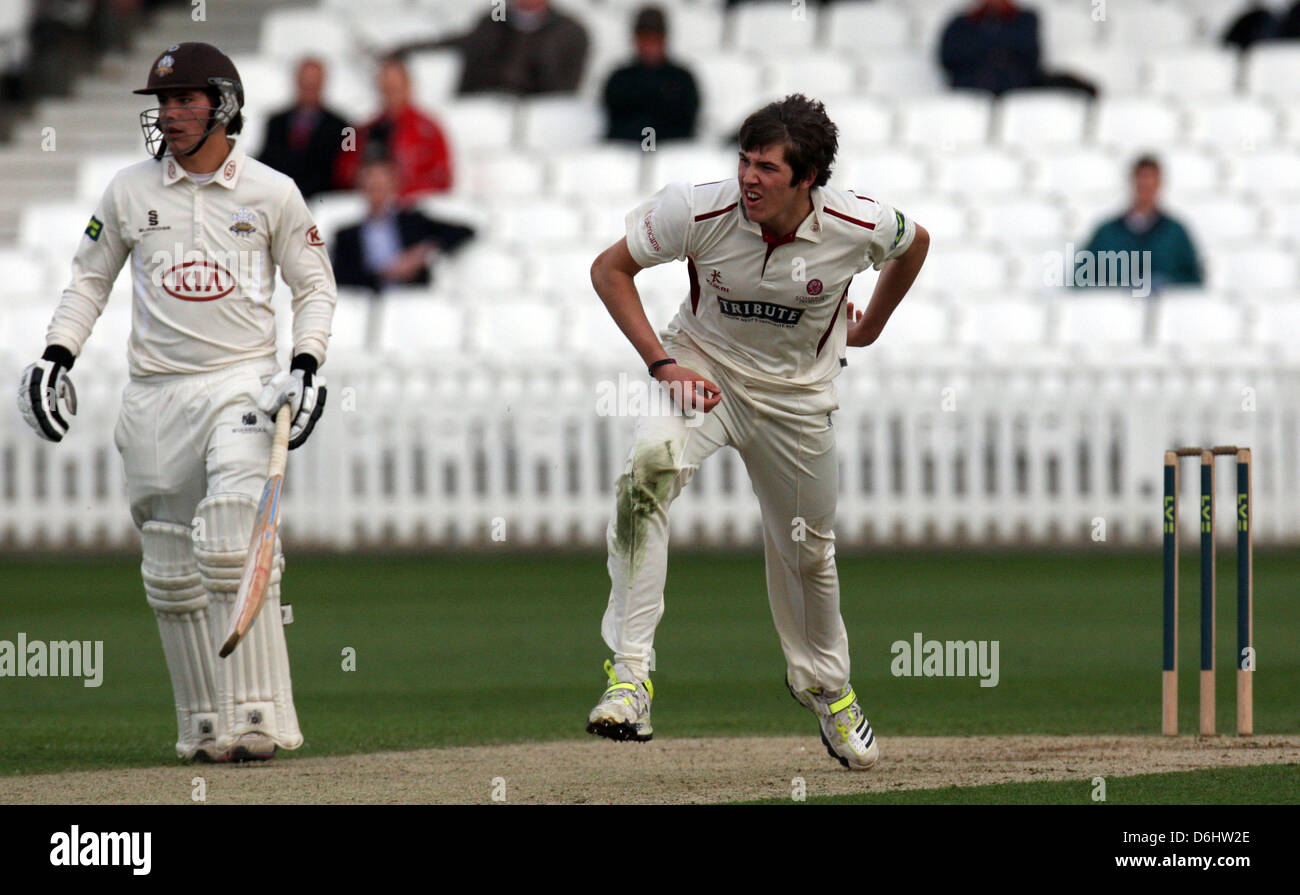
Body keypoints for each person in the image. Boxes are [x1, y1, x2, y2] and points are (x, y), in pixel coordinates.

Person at [585, 94, 930, 770]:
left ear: (807, 180)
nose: (749, 178)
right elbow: (609, 269)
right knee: (643, 479)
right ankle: (630, 677)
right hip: (704, 372)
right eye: (745, 160)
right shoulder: (697, 207)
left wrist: (875, 324)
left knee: (807, 552)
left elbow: (915, 244)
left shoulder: (858, 223)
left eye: (768, 168)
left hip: (798, 398)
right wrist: (663, 362)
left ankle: (827, 688)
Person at [16, 42, 336, 763]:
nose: (168, 113)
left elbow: (314, 285)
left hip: (241, 383)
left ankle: (257, 715)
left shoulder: (271, 192)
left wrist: (306, 363)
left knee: (229, 537)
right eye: (162, 101)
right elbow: (89, 280)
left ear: (223, 105)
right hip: (155, 392)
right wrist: (57, 353)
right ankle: (203, 725)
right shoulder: (129, 192)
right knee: (168, 565)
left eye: (186, 99)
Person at [332, 156, 475, 293]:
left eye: (381, 187)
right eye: (372, 187)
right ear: (361, 188)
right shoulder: (346, 234)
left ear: (393, 186)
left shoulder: (413, 222)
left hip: (413, 300)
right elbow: (341, 277)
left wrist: (423, 250)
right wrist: (385, 274)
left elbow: (465, 231)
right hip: (366, 301)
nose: (377, 193)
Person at [402, 0, 588, 96]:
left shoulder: (569, 32)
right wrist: (403, 50)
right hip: (485, 107)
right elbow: (457, 42)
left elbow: (566, 90)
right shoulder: (494, 21)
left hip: (540, 113)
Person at [1076, 155, 1203, 290]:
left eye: (1151, 183)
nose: (1146, 189)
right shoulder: (1107, 233)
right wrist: (1115, 287)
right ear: (1132, 183)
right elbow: (1081, 278)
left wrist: (1168, 284)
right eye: (1142, 182)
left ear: (1159, 185)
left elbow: (1194, 280)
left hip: (1165, 308)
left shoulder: (1176, 234)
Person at [333, 56, 453, 199]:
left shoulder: (429, 130)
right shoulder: (360, 132)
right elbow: (343, 172)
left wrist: (403, 191)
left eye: (395, 87)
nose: (390, 94)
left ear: (408, 86)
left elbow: (443, 179)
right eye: (386, 88)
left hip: (413, 211)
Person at [938, 0, 1097, 97]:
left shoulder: (1026, 18)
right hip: (974, 85)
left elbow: (1030, 53)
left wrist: (987, 40)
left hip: (1017, 84)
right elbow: (949, 57)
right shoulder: (961, 22)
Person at [602, 6, 699, 144]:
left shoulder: (682, 79)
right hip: (625, 155)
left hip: (671, 156)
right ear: (635, 39)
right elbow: (615, 122)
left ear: (664, 39)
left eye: (655, 38)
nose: (649, 45)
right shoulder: (619, 79)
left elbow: (686, 126)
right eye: (644, 38)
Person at [257, 57, 349, 200]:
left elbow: (345, 171)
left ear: (323, 84)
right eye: (305, 83)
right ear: (296, 83)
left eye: (313, 84)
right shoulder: (275, 123)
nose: (309, 89)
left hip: (321, 203)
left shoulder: (343, 127)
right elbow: (266, 162)